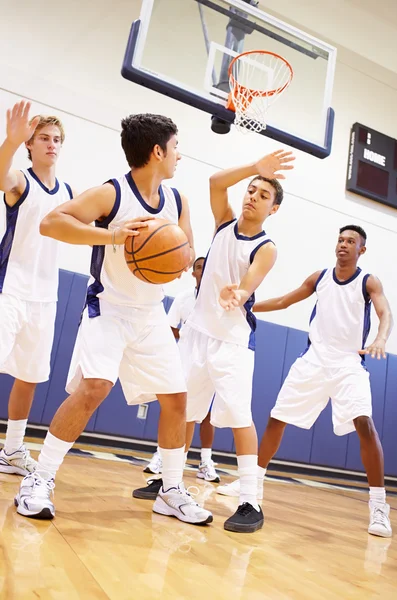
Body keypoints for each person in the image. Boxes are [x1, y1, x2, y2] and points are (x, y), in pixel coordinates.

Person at [14, 113, 212, 527]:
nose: (180, 156)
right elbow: (53, 222)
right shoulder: (112, 193)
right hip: (109, 308)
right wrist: (115, 236)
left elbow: (186, 254)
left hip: (150, 312)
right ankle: (39, 479)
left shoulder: (177, 201)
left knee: (177, 400)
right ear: (157, 151)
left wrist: (178, 256)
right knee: (94, 389)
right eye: (176, 147)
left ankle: (171, 490)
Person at [133, 150, 294, 532]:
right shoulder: (224, 223)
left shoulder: (266, 247)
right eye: (251, 190)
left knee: (239, 417)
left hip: (233, 342)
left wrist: (237, 294)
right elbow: (215, 182)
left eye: (263, 195)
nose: (252, 196)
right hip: (196, 336)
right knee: (181, 411)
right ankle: (169, 482)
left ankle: (250, 502)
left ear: (273, 209)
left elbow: (250, 282)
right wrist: (254, 167)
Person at [219, 225, 393, 538]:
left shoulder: (368, 281)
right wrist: (246, 304)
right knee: (276, 418)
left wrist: (381, 338)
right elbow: (286, 300)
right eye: (340, 239)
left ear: (361, 250)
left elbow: (385, 312)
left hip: (348, 363)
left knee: (365, 424)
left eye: (350, 241)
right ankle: (251, 483)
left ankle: (379, 506)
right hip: (313, 361)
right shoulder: (320, 277)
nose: (343, 245)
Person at [0, 100, 73, 477]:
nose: (51, 144)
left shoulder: (68, 192)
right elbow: (1, 178)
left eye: (56, 139)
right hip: (9, 289)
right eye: (43, 138)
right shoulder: (21, 180)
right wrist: (10, 141)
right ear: (31, 144)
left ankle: (12, 450)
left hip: (45, 296)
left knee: (29, 376)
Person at [144, 257, 220, 483]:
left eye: (206, 266)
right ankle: (164, 457)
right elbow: (170, 326)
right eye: (198, 266)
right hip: (184, 357)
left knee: (205, 413)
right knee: (176, 407)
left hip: (210, 359)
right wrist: (186, 335)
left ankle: (204, 461)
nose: (202, 269)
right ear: (192, 273)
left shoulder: (219, 298)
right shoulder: (184, 299)